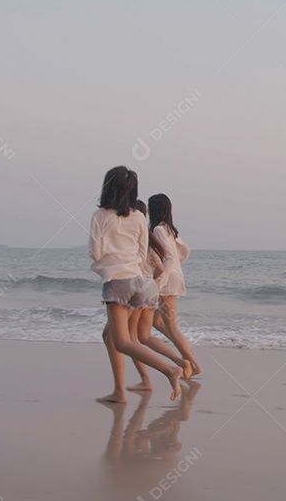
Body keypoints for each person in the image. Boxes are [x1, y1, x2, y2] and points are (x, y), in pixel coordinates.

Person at [91, 167, 182, 403]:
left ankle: (170, 370)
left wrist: (110, 262)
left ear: (107, 187)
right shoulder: (140, 217)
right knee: (120, 338)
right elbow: (143, 254)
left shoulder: (100, 216)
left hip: (117, 282)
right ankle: (121, 390)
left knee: (122, 342)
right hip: (141, 283)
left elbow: (96, 253)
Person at [124, 200, 193, 392]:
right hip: (154, 287)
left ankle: (186, 366)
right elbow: (176, 256)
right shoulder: (159, 233)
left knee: (132, 338)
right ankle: (182, 362)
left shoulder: (151, 232)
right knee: (147, 333)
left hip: (148, 286)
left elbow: (164, 261)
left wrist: (159, 282)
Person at [148, 193, 201, 377]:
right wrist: (178, 267)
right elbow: (185, 250)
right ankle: (187, 355)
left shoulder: (158, 230)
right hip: (174, 277)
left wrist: (160, 281)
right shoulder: (170, 229)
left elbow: (169, 258)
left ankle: (192, 363)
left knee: (172, 327)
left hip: (167, 281)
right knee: (156, 322)